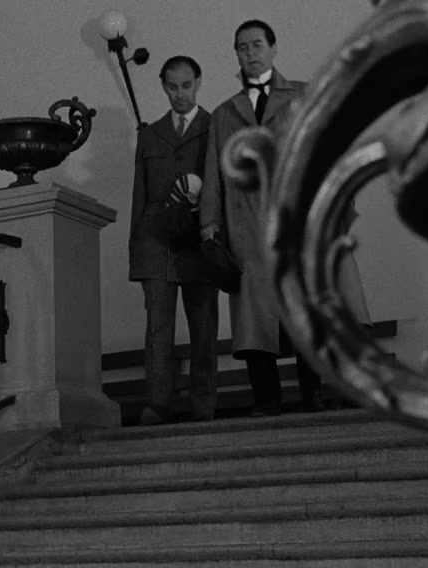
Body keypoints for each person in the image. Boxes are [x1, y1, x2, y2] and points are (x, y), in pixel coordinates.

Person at [200, 19, 369, 417]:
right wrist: (209, 224)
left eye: (256, 44)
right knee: (255, 319)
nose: (250, 53)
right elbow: (213, 174)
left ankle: (311, 392)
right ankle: (266, 399)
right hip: (246, 223)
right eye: (242, 47)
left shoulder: (305, 95)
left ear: (273, 49)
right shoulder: (224, 113)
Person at [129, 56, 219, 425]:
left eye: (186, 85)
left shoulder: (215, 128)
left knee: (203, 327)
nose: (180, 93)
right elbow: (139, 197)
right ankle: (157, 403)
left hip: (200, 241)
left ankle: (204, 405)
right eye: (172, 86)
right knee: (158, 329)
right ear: (163, 86)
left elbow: (224, 189)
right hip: (156, 242)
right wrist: (136, 252)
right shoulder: (150, 135)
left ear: (198, 82)